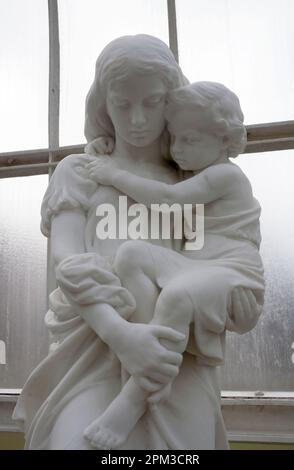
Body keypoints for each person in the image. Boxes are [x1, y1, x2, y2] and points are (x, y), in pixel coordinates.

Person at [13, 36, 263, 450]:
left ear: (175, 101)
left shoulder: (194, 178)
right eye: (122, 104)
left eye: (153, 102)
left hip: (179, 363)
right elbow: (68, 261)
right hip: (94, 353)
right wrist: (124, 338)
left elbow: (231, 269)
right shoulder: (81, 170)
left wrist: (238, 304)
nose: (138, 119)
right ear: (102, 104)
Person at [83, 81, 265, 449]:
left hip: (232, 273)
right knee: (131, 254)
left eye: (190, 140)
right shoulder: (193, 169)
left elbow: (167, 198)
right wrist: (101, 146)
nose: (178, 149)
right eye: (175, 138)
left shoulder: (224, 175)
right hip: (196, 267)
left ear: (225, 140)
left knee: (179, 295)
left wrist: (111, 174)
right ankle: (152, 346)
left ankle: (136, 395)